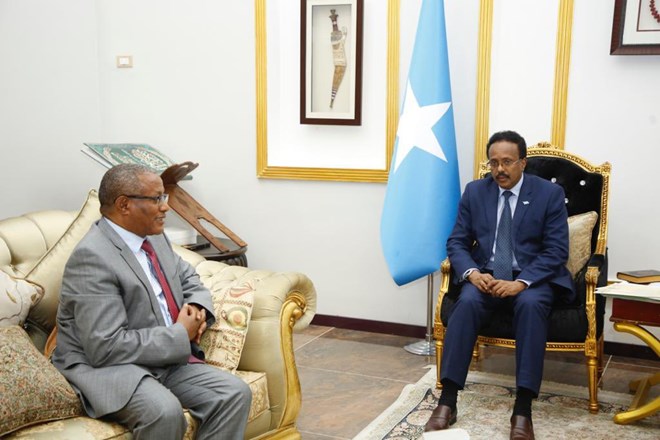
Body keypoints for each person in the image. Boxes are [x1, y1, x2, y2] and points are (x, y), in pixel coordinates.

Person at [52, 164, 251, 440]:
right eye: (157, 198)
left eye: (163, 197)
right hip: (107, 368)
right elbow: (105, 347)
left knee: (233, 393)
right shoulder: (92, 258)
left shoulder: (153, 237)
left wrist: (197, 308)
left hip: (160, 358)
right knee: (163, 411)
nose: (165, 207)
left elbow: (187, 276)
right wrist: (180, 334)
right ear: (124, 204)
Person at [424, 131, 574, 439]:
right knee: (466, 302)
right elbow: (457, 241)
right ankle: (448, 400)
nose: (500, 170)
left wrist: (522, 282)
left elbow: (557, 251)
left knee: (531, 306)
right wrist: (471, 273)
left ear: (523, 163)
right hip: (487, 276)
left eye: (507, 162)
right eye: (494, 163)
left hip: (531, 278)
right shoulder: (476, 191)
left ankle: (522, 409)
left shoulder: (548, 194)